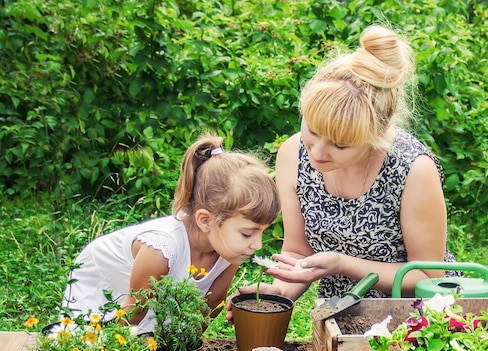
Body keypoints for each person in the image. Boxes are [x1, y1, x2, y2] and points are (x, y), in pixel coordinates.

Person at [226, 24, 457, 320]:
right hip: (338, 317)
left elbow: (426, 276)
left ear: (378, 136)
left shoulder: (413, 169)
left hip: (417, 320)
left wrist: (343, 264)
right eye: (312, 130)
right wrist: (280, 292)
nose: (317, 153)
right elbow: (298, 249)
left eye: (340, 145)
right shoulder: (293, 155)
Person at [62, 132, 280, 333]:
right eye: (247, 233)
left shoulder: (231, 249)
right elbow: (134, 310)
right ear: (206, 220)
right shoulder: (161, 249)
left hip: (148, 297)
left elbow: (211, 304)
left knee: (162, 332)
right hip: (104, 286)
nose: (257, 245)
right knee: (96, 341)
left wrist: (187, 347)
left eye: (262, 232)